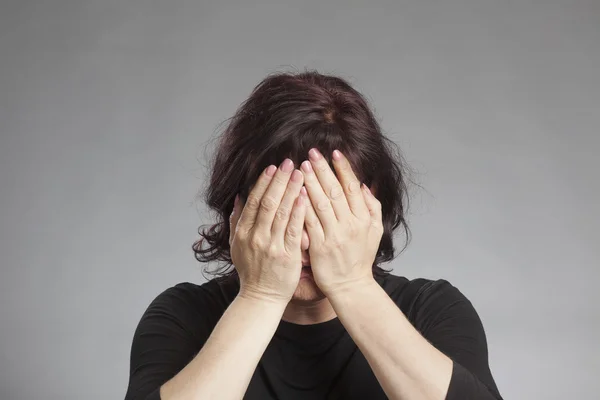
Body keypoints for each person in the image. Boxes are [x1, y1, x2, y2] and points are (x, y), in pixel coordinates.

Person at [124, 71, 504, 400]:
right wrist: (261, 295)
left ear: (372, 212)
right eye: (284, 212)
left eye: (328, 213)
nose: (304, 242)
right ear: (238, 212)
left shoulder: (432, 311)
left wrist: (353, 285)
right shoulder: (182, 316)